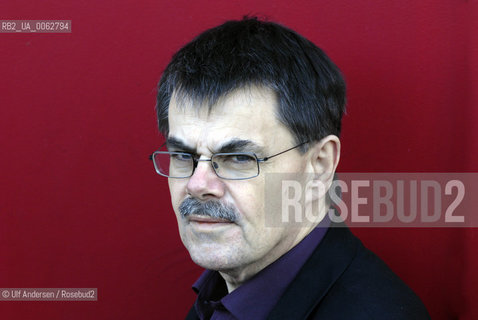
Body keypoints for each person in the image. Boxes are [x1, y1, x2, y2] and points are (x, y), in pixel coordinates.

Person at [151, 17, 430, 320]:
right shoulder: (220, 296)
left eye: (240, 158)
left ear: (319, 166)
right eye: (182, 155)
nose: (197, 184)